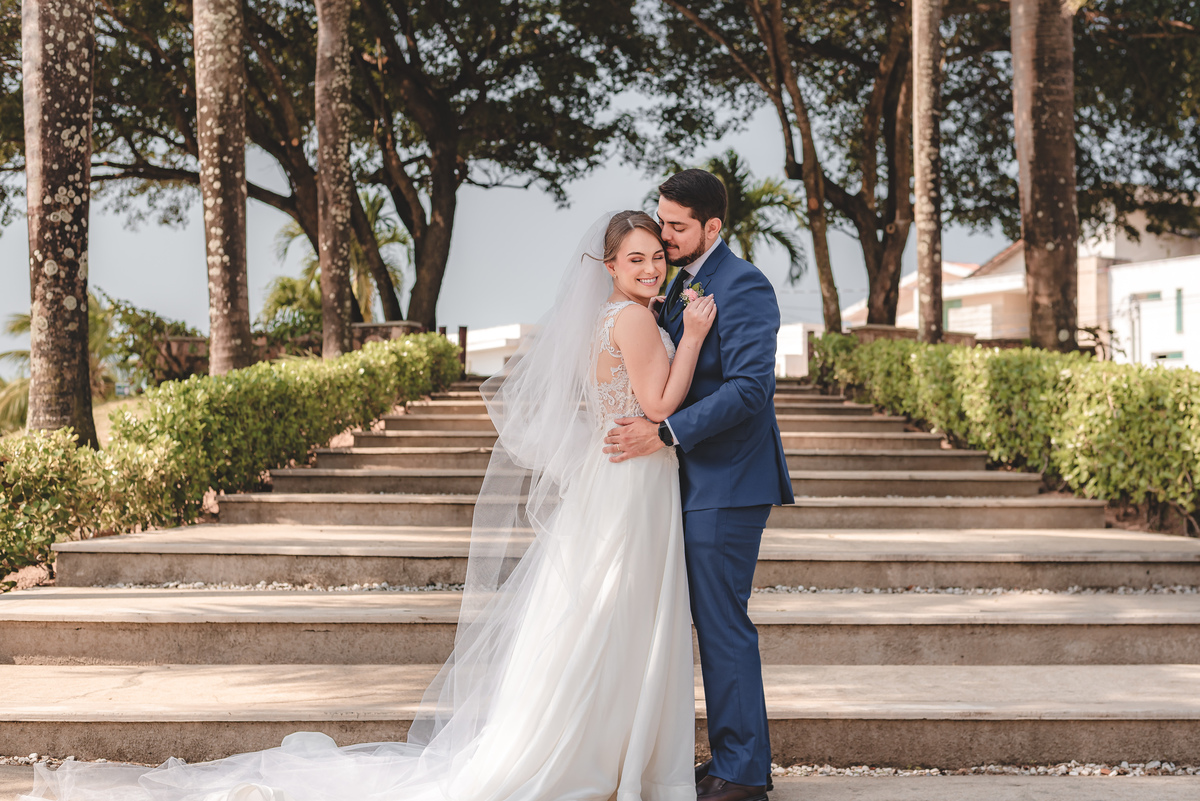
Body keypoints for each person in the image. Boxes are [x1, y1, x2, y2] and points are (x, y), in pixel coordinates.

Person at [22, 210, 716, 801]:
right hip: (629, 485)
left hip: (620, 480)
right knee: (621, 617)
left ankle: (604, 749)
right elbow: (656, 406)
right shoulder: (630, 320)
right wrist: (691, 337)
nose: (651, 267)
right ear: (608, 264)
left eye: (657, 256)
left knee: (609, 619)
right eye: (637, 258)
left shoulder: (610, 317)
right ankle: (610, 756)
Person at [605, 170, 794, 801]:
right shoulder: (675, 282)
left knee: (721, 623)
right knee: (696, 623)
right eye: (662, 222)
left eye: (678, 226)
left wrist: (664, 435)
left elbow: (749, 390)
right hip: (682, 484)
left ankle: (741, 771)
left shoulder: (744, 285)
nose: (665, 234)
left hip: (730, 480)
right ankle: (720, 759)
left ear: (714, 227)